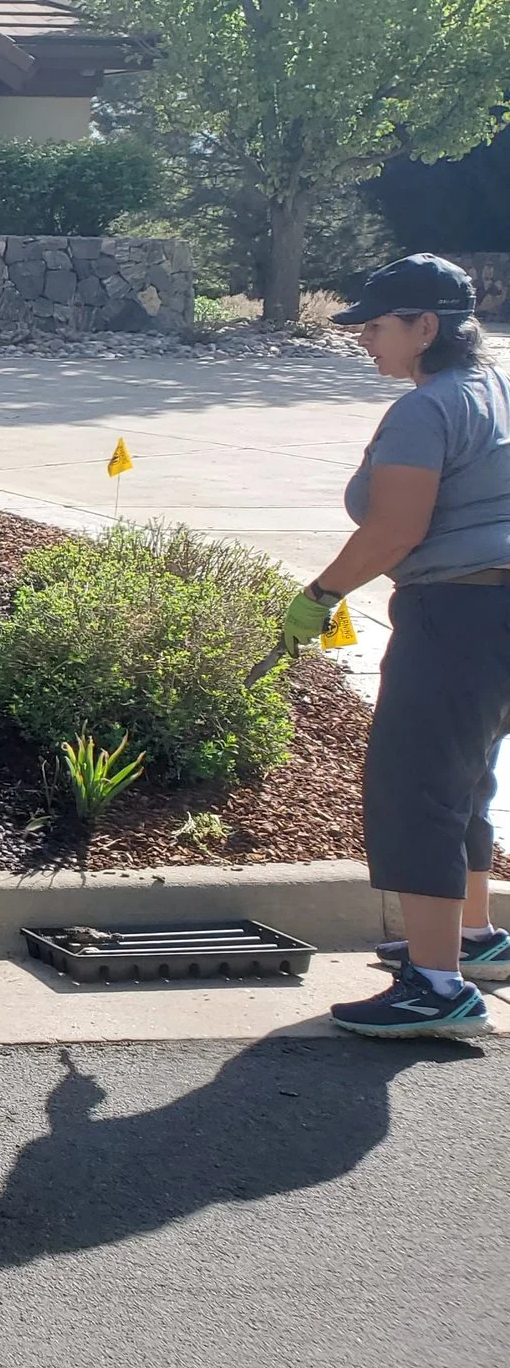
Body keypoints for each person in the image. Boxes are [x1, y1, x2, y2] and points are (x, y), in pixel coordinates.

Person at [289, 254, 510, 1037]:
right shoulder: (497, 389)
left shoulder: (428, 409)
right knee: (468, 778)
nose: (364, 340)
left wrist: (319, 595)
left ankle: (437, 985)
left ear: (427, 327)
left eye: (377, 326)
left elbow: (394, 528)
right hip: (498, 618)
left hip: (457, 614)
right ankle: (474, 938)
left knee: (417, 787)